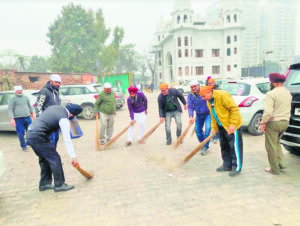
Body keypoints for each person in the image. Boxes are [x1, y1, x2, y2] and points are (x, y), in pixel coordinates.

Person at [27, 103, 83, 192]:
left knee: (45, 159)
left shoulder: (55, 107)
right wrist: (73, 157)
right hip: (39, 136)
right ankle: (59, 185)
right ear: (72, 115)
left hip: (30, 133)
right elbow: (67, 140)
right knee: (55, 159)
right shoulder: (64, 118)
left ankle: (44, 184)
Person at [200, 86, 243, 177]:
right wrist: (214, 128)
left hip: (231, 126)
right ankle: (226, 165)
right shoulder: (209, 101)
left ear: (209, 92)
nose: (203, 99)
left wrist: (232, 124)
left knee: (234, 147)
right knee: (224, 146)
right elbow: (213, 115)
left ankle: (236, 167)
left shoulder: (222, 95)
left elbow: (234, 109)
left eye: (204, 96)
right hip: (221, 126)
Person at [260, 73, 292, 175]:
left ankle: (274, 169)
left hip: (274, 123)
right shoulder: (288, 92)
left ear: (273, 82)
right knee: (277, 143)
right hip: (285, 122)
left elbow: (268, 112)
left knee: (271, 146)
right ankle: (281, 164)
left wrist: (263, 123)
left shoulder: (271, 93)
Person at [35, 74, 62, 147]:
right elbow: (38, 105)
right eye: (56, 82)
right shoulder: (44, 91)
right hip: (48, 122)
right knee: (50, 141)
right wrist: (39, 118)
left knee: (55, 140)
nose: (58, 84)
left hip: (56, 121)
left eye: (59, 82)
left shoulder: (56, 91)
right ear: (51, 81)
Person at [8, 86, 36, 151]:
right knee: (21, 133)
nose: (19, 91)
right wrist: (12, 119)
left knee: (30, 131)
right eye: (18, 90)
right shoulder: (12, 99)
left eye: (20, 90)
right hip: (18, 119)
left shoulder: (26, 98)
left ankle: (30, 143)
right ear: (15, 91)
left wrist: (32, 115)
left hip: (27, 117)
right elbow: (10, 109)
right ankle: (23, 146)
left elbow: (30, 106)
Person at [187, 81, 211, 155]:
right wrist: (191, 116)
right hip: (199, 115)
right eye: (192, 87)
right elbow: (190, 107)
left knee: (208, 129)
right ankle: (203, 144)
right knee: (197, 131)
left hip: (208, 114)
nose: (193, 88)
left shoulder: (204, 91)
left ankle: (205, 147)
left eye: (195, 86)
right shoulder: (190, 95)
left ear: (198, 85)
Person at [207, 78, 220, 144]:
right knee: (213, 124)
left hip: (218, 110)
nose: (210, 84)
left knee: (218, 124)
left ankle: (216, 137)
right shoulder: (208, 90)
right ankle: (214, 136)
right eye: (209, 83)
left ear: (214, 83)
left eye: (211, 83)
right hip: (212, 109)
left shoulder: (218, 90)